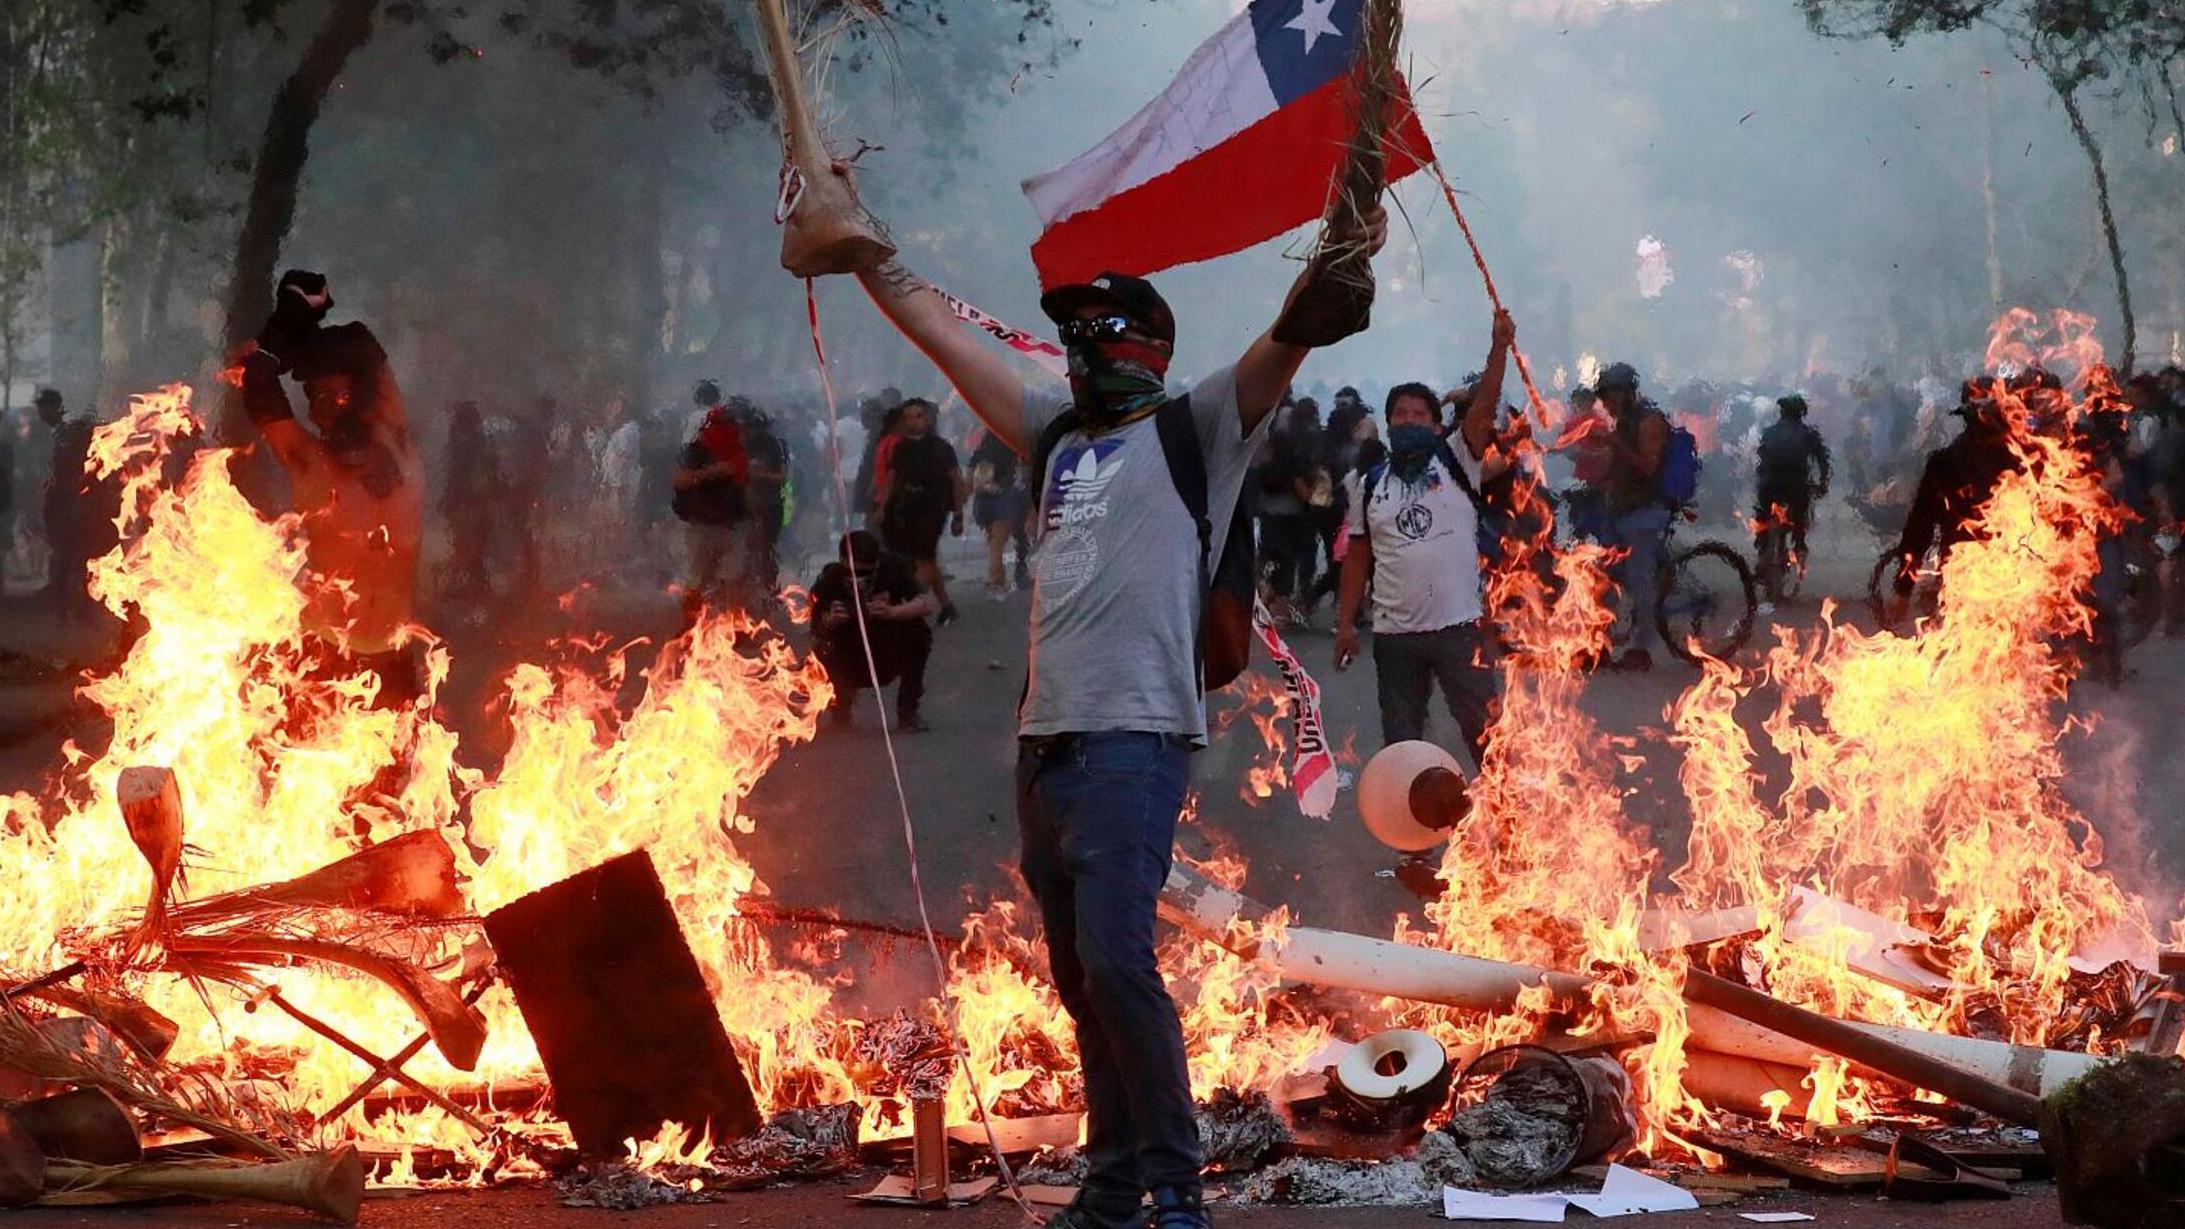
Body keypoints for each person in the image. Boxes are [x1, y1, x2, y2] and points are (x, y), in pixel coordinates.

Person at [842, 152, 1386, 1229]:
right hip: (1042, 746)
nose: (1087, 352)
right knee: (1082, 982)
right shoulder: (1051, 434)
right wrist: (867, 255)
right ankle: (1108, 1180)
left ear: (1146, 347)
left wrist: (1324, 281)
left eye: (1104, 332)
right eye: (1075, 336)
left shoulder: (1195, 431)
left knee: (1118, 964)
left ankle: (1175, 1184)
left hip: (1133, 742)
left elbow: (1280, 348)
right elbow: (944, 340)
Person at [1334, 310, 1515, 769]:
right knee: (1403, 748)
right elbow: (1358, 557)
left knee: (1486, 736)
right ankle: (1413, 840)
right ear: (1389, 423)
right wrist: (1345, 624)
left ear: (1437, 426)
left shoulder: (1458, 459)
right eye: (1400, 414)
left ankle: (1511, 827)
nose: (1409, 420)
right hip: (1396, 637)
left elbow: (1483, 407)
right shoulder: (1366, 483)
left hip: (1458, 630)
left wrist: (1499, 349)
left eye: (1419, 414)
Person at [233, 271, 426, 699]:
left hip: (393, 657)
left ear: (362, 397)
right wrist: (280, 334)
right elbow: (260, 388)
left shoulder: (398, 445)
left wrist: (306, 316)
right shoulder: (310, 464)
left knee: (405, 766)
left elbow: (369, 355)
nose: (322, 411)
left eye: (335, 396)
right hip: (323, 656)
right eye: (314, 401)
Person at [810, 529, 935, 731]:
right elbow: (815, 627)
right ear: (842, 560)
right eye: (852, 572)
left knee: (918, 633)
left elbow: (925, 604)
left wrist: (892, 612)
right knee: (823, 648)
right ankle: (840, 710)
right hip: (850, 654)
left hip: (886, 648)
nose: (857, 579)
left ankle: (908, 711)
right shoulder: (831, 579)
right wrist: (830, 620)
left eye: (865, 573)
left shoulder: (893, 568)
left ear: (877, 563)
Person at [1593, 362, 1671, 671]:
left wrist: (1616, 446)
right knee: (1603, 579)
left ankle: (1641, 649)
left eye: (1608, 394)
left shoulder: (1650, 421)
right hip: (1619, 511)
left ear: (1625, 392)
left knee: (1641, 583)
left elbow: (1648, 467)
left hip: (1645, 512)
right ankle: (1600, 644)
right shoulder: (1622, 421)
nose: (1605, 402)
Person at [876, 396, 967, 624]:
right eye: (907, 417)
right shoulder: (901, 448)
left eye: (917, 416)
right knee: (917, 559)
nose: (912, 422)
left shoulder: (941, 448)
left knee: (924, 557)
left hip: (933, 508)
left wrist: (958, 514)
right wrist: (882, 506)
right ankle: (945, 605)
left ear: (927, 419)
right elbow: (891, 478)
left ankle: (911, 601)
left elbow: (956, 480)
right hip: (906, 507)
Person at [673, 382, 751, 625]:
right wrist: (712, 472)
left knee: (733, 578)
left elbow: (746, 480)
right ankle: (688, 627)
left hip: (733, 523)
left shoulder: (740, 450)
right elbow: (680, 480)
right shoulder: (697, 450)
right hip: (702, 523)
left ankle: (738, 630)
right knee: (695, 576)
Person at [1751, 393, 1832, 604]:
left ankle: (1762, 557)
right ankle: (1798, 545)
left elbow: (1760, 460)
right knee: (1798, 525)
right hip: (1796, 489)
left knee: (1764, 524)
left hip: (1768, 488)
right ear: (1801, 413)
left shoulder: (1769, 433)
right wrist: (1822, 484)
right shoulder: (1808, 434)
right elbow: (1823, 461)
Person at [439, 401, 502, 603]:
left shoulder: (463, 446)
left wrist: (450, 499)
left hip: (467, 504)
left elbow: (457, 477)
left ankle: (470, 588)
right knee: (473, 546)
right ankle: (476, 588)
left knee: (467, 546)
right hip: (476, 503)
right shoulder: (480, 444)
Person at [969, 423, 1031, 598]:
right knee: (1000, 543)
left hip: (983, 503)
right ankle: (997, 582)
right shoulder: (1010, 447)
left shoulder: (981, 451)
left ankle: (999, 579)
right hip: (1003, 501)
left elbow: (970, 476)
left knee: (993, 542)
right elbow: (1023, 471)